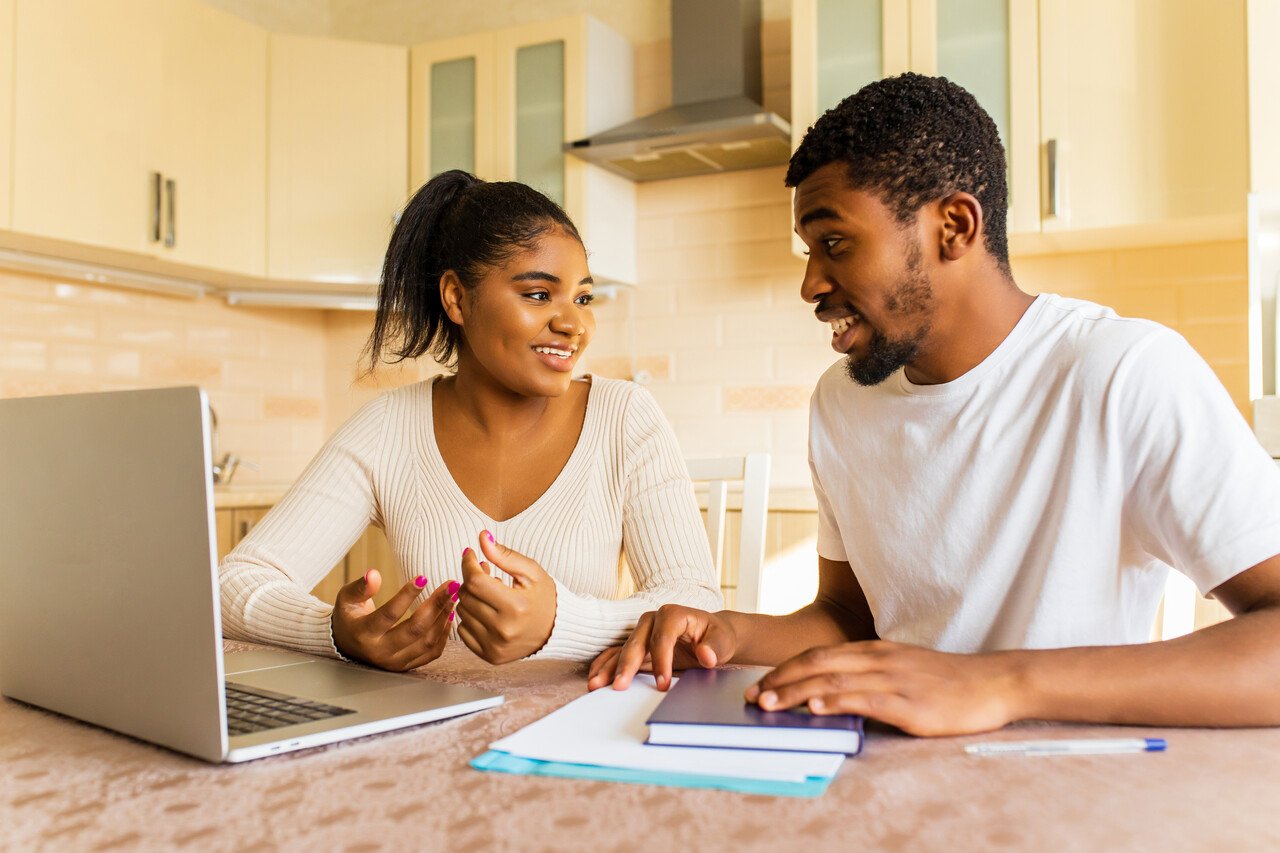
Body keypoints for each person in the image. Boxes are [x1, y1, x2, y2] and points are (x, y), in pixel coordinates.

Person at [591, 73, 1280, 736]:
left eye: (834, 243)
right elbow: (849, 613)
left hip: (1066, 785)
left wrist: (998, 683)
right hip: (886, 772)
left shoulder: (1124, 372)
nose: (809, 283)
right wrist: (736, 632)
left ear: (953, 225)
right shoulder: (842, 399)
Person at [220, 171, 720, 671]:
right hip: (432, 722)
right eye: (539, 295)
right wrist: (333, 632)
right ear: (458, 298)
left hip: (583, 722)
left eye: (582, 298)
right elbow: (233, 584)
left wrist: (560, 625)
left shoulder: (624, 418)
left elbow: (699, 607)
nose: (573, 325)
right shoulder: (388, 428)